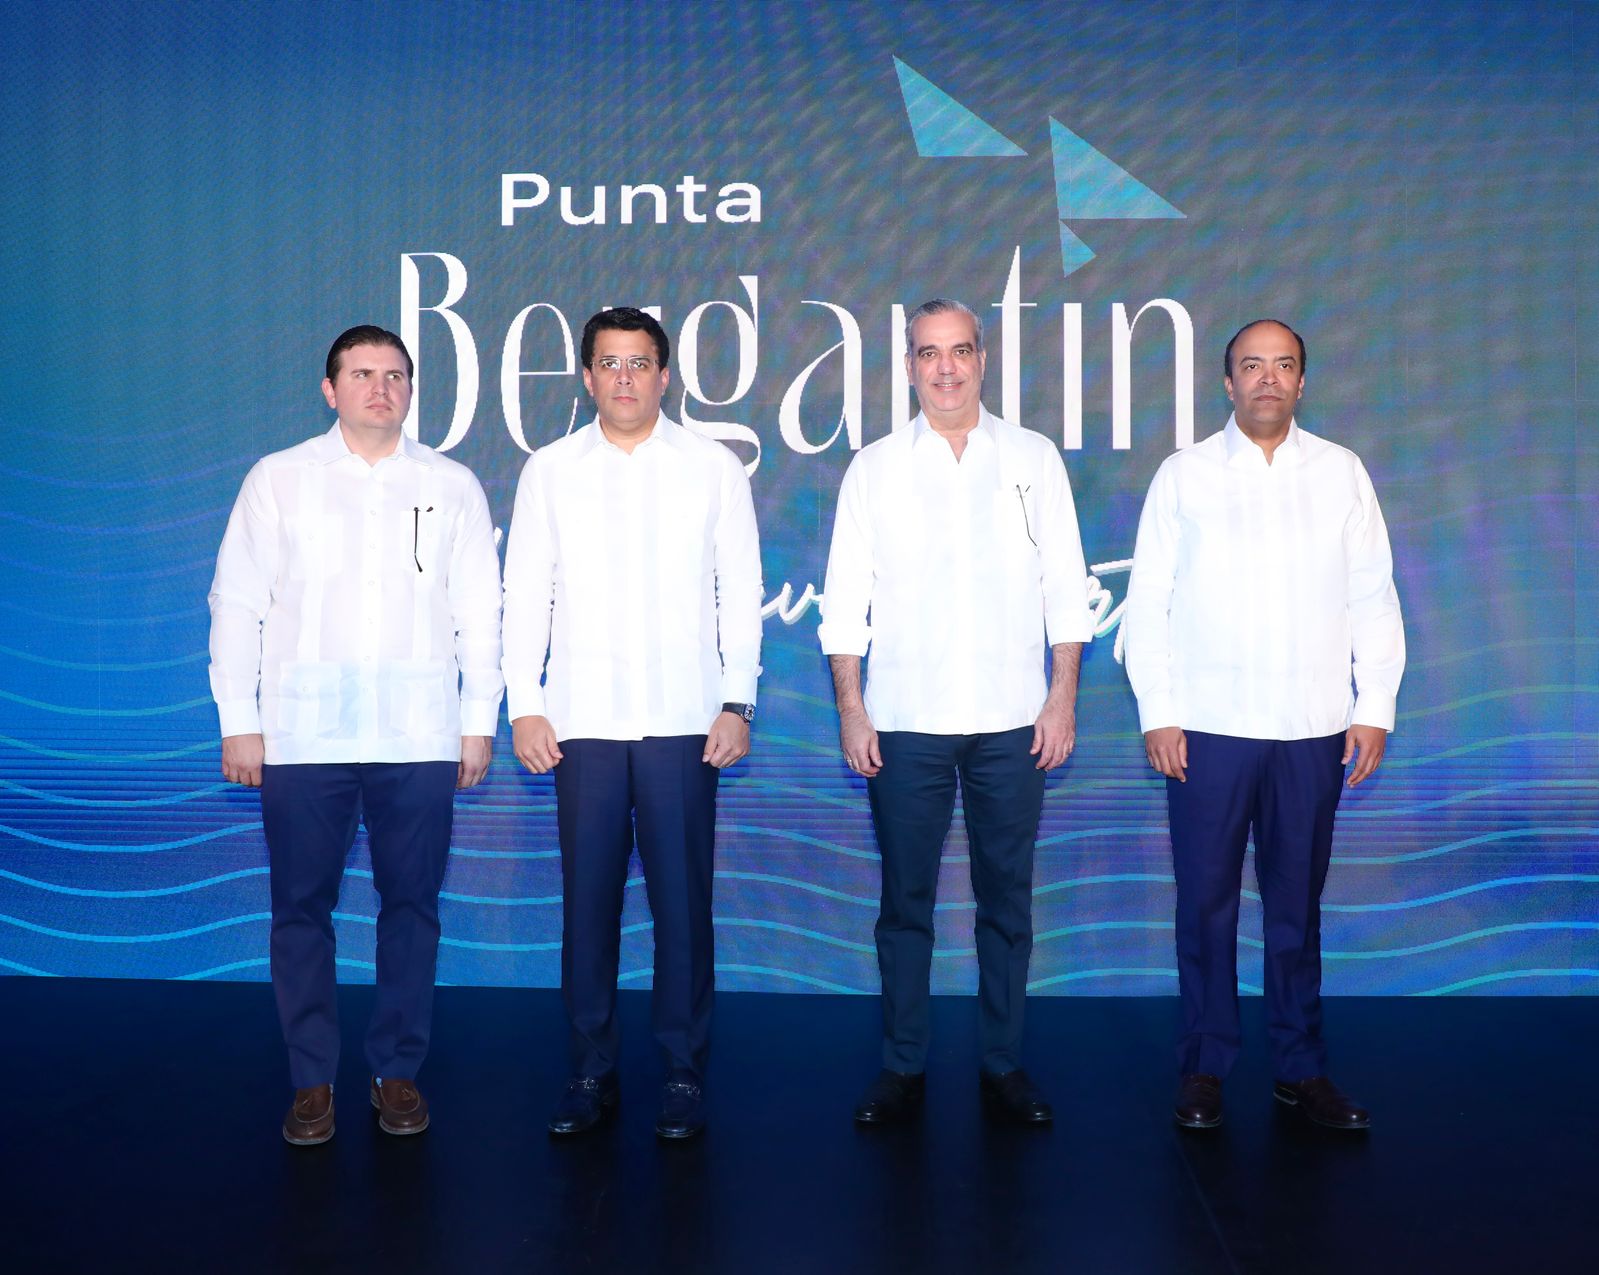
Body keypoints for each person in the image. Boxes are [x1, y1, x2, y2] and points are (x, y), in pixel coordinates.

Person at [208, 324, 504, 1145]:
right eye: (363, 373)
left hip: (419, 731)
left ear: (411, 388)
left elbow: (480, 611)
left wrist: (478, 720)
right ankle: (311, 1080)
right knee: (300, 908)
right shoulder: (279, 479)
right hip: (303, 733)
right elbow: (237, 601)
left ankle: (397, 1069)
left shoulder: (450, 484)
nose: (382, 387)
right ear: (330, 388)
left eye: (396, 375)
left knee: (412, 906)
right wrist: (240, 721)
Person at [1122, 319, 1405, 1131]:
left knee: (1294, 909)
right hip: (1205, 730)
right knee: (1205, 907)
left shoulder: (1340, 472)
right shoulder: (1183, 476)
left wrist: (1373, 706)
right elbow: (1148, 603)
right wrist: (1158, 712)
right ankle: (1204, 1066)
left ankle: (1298, 1067)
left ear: (1302, 382)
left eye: (1283, 365)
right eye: (1252, 365)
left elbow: (1371, 595)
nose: (1267, 378)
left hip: (1312, 729)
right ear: (1227, 382)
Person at [818, 298, 1094, 1126]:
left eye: (960, 350)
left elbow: (1064, 589)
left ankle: (1003, 1062)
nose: (945, 367)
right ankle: (902, 1065)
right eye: (929, 352)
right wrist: (852, 710)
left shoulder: (1032, 458)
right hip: (903, 722)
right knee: (904, 904)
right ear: (908, 365)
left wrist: (1061, 697)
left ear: (982, 358)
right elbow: (844, 602)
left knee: (1006, 902)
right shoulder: (873, 468)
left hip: (1014, 720)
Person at [502, 306, 763, 1141]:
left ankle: (682, 1069)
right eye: (609, 363)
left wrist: (737, 700)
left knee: (683, 907)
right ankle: (590, 1069)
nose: (624, 377)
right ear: (586, 377)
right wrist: (525, 702)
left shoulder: (712, 468)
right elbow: (525, 592)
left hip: (686, 718)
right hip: (580, 721)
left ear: (664, 375)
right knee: (588, 906)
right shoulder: (549, 471)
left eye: (639, 362)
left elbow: (739, 590)